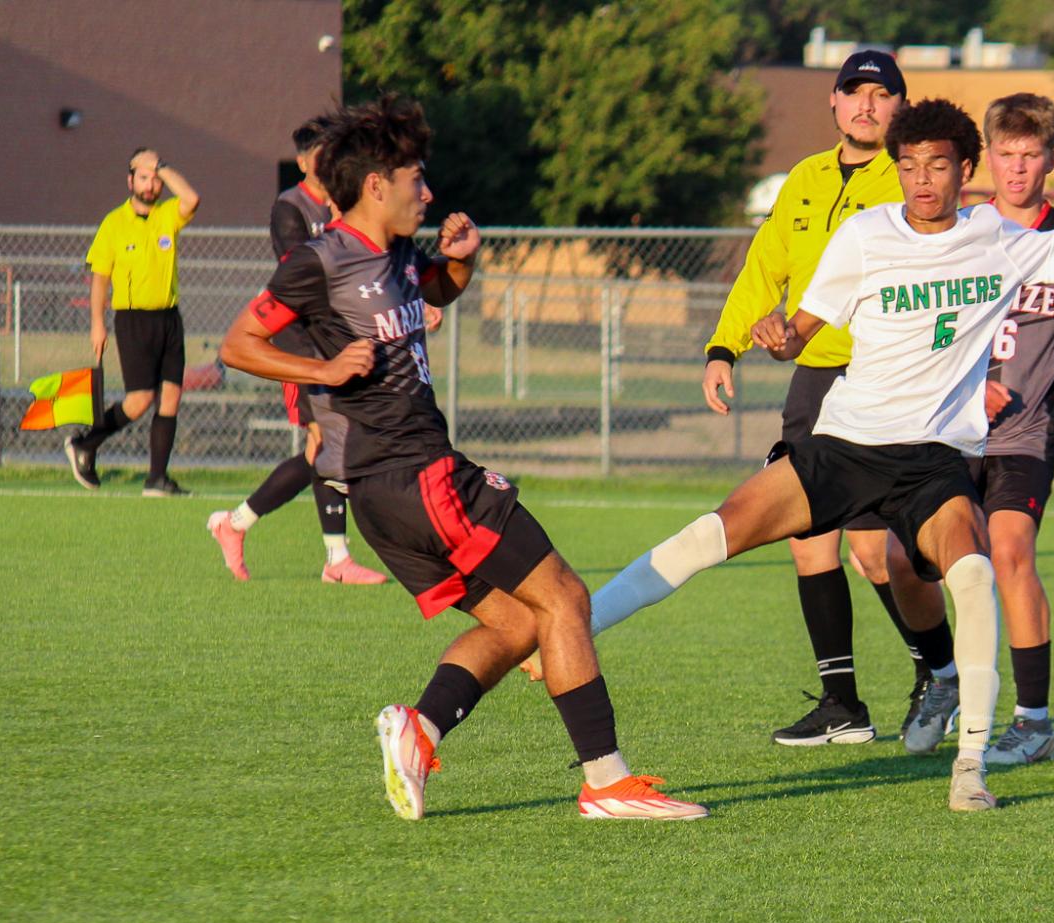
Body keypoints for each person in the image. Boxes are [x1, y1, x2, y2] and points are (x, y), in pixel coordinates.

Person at [586, 90, 1054, 812]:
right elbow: (805, 329)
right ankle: (576, 626)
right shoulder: (867, 234)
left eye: (937, 166)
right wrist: (779, 336)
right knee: (709, 534)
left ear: (965, 170)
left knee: (972, 574)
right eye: (909, 166)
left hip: (931, 461)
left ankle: (970, 769)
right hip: (843, 446)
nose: (922, 181)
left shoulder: (995, 238)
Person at [220, 95, 705, 822]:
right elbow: (237, 346)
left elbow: (434, 291)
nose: (428, 191)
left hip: (390, 496)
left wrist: (461, 263)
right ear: (376, 183)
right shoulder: (319, 260)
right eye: (416, 177)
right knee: (566, 598)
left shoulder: (397, 256)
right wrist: (322, 373)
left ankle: (420, 728)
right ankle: (606, 783)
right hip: (420, 477)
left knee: (517, 624)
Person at [699, 49, 953, 748]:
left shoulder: (911, 182)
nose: (866, 106)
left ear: (900, 108)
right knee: (806, 537)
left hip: (880, 381)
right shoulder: (806, 179)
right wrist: (724, 348)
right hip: (812, 381)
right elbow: (763, 269)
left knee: (877, 556)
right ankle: (842, 702)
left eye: (881, 95)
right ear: (834, 103)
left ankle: (939, 676)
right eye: (854, 93)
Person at [898, 93, 1054, 767]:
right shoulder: (963, 230)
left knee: (1010, 553)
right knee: (898, 561)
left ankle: (1034, 721)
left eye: (1031, 156)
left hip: (1025, 437)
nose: (1018, 169)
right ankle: (941, 677)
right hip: (948, 430)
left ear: (1050, 158)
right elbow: (923, 325)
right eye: (1006, 155)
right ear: (983, 159)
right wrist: (962, 381)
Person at [207, 116, 389, 585]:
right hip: (299, 343)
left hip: (334, 340)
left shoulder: (346, 205)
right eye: (324, 153)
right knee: (324, 444)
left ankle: (242, 525)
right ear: (306, 160)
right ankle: (331, 557)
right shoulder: (290, 208)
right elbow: (302, 273)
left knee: (325, 447)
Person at [65, 148, 200, 496]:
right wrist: (97, 323)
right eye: (143, 176)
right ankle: (85, 443)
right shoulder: (113, 222)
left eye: (155, 177)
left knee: (170, 397)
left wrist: (162, 165)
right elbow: (100, 278)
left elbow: (191, 197)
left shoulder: (168, 214)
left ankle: (157, 479)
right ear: (130, 181)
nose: (151, 183)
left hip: (169, 317)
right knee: (139, 400)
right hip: (133, 319)